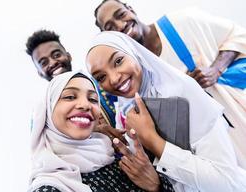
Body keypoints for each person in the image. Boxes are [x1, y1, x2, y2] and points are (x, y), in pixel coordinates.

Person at [86, 31, 246, 192]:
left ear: (133, 52)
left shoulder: (180, 92)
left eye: (118, 61)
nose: (114, 79)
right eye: (101, 77)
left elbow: (227, 184)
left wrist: (153, 141)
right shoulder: (125, 110)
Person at [94, 0, 246, 167]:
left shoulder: (182, 22)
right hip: (205, 148)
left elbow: (237, 35)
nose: (120, 25)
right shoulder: (132, 69)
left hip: (235, 116)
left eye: (121, 15)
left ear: (131, 9)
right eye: (110, 27)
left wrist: (216, 69)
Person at [22, 70, 179, 192]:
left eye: (93, 99)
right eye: (69, 96)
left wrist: (157, 186)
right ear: (47, 112)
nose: (85, 105)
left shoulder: (118, 158)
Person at [25, 29, 124, 141]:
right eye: (44, 62)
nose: (52, 63)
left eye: (56, 55)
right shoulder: (43, 112)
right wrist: (92, 129)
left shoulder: (100, 83)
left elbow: (126, 106)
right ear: (40, 72)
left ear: (68, 56)